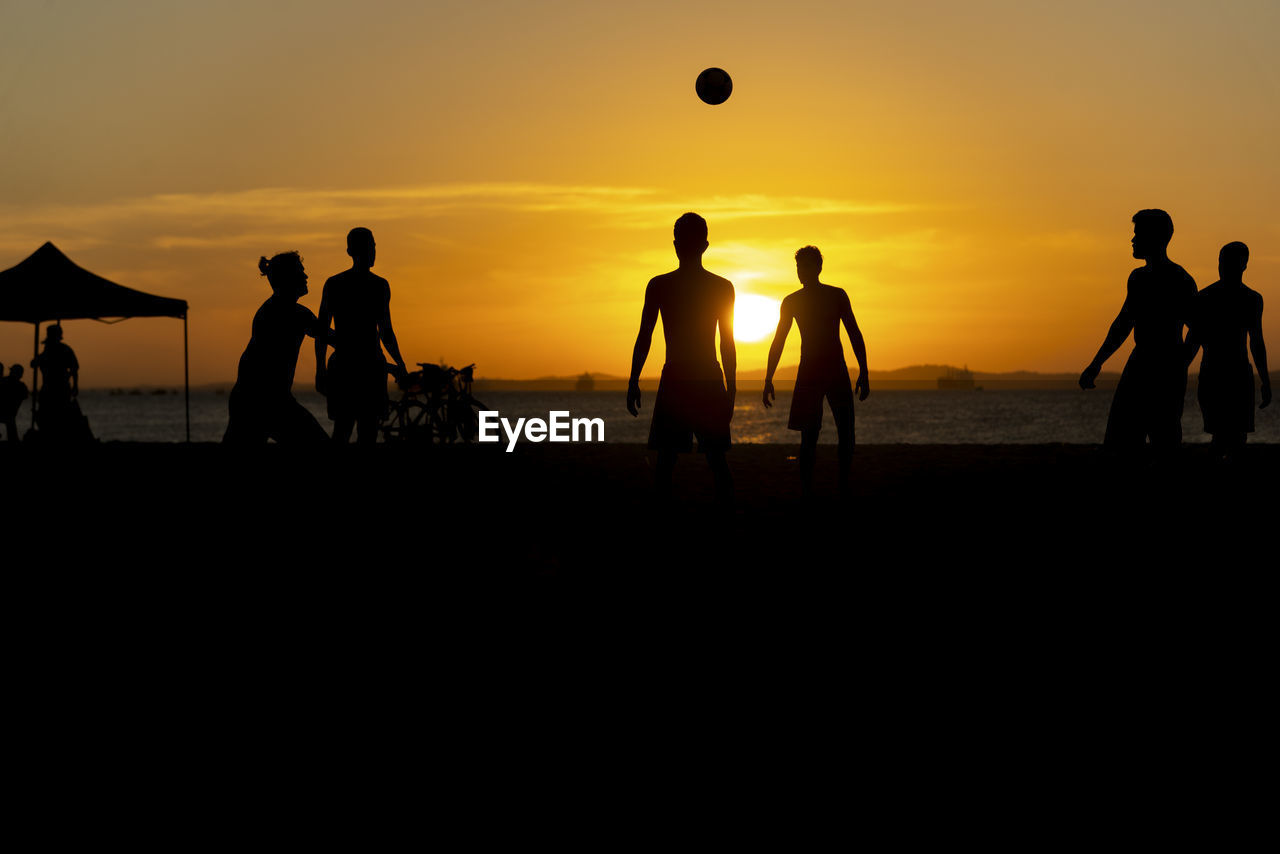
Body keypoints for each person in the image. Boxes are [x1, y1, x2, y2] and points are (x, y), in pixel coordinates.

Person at [626, 212, 735, 503]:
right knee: (712, 459)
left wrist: (634, 381)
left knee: (669, 459)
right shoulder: (720, 287)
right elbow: (727, 343)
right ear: (705, 245)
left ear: (676, 245)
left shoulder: (661, 285)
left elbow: (644, 337)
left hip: (679, 377)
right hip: (705, 378)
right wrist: (731, 386)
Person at [1079, 210, 1197, 453]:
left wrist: (1180, 363)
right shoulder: (1138, 278)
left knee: (1164, 440)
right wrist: (1096, 363)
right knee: (1121, 439)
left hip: (1165, 366)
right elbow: (1122, 324)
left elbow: (1198, 328)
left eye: (1138, 234)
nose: (1132, 240)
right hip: (1139, 363)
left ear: (1156, 238)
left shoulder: (1180, 279)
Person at [763, 246, 870, 498]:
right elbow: (778, 340)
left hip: (835, 369)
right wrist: (768, 378)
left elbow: (854, 333)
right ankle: (807, 490)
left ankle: (842, 485)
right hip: (809, 370)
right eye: (799, 267)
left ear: (819, 268)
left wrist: (864, 370)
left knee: (846, 431)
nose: (802, 272)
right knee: (808, 436)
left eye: (807, 266)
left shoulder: (837, 296)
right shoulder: (792, 302)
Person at [224, 252, 329, 444]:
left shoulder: (276, 310)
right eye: (300, 272)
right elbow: (334, 339)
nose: (306, 277)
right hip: (263, 402)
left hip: (254, 399)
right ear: (288, 278)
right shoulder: (293, 313)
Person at [315, 228, 408, 445]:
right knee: (350, 430)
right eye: (370, 246)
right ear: (351, 251)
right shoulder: (348, 285)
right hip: (354, 368)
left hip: (364, 367)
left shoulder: (370, 285)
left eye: (373, 246)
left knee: (359, 431)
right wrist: (320, 369)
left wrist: (399, 363)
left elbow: (385, 331)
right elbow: (321, 331)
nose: (373, 251)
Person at [1183, 242, 1270, 461]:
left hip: (1238, 374)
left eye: (1228, 262)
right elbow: (1193, 341)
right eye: (1221, 262)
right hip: (1214, 374)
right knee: (1222, 438)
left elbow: (1256, 342)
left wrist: (1265, 380)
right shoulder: (1204, 298)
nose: (1223, 267)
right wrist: (1176, 373)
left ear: (1243, 265)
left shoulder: (1252, 299)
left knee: (1236, 440)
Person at [31, 324, 81, 439]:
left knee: (59, 417)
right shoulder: (48, 351)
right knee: (47, 417)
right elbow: (34, 363)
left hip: (60, 389)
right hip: (49, 389)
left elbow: (74, 368)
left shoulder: (64, 350)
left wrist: (75, 385)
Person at [0, 363, 29, 442]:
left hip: (7, 413)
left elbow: (25, 395)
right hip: (9, 414)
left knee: (10, 423)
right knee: (10, 423)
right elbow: (25, 396)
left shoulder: (4, 381)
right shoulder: (21, 386)